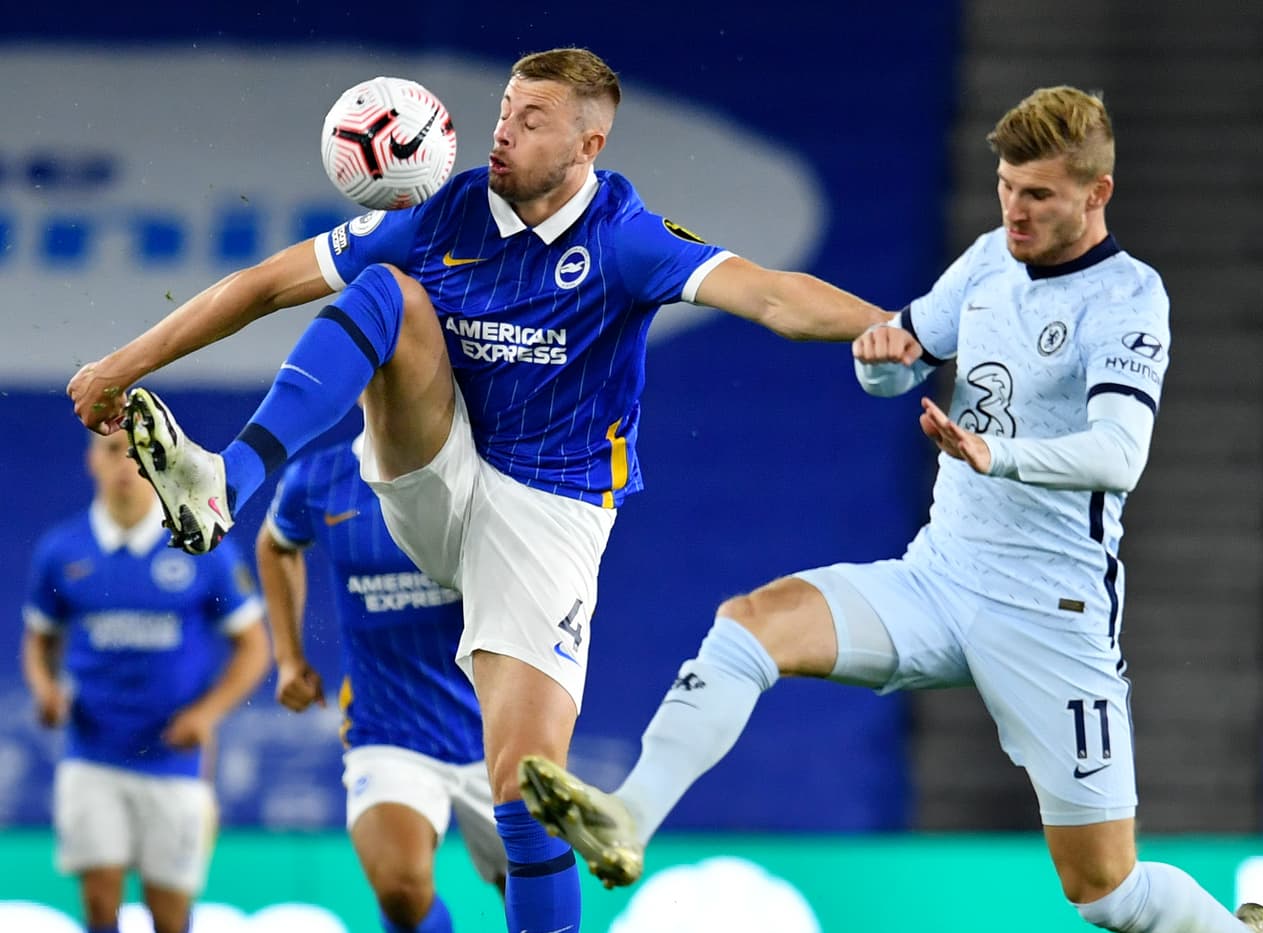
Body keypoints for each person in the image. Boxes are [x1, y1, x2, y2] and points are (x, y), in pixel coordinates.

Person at [66, 47, 890, 933]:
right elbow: (265, 283)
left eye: (530, 120)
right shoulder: (441, 210)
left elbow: (771, 295)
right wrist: (124, 363)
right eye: (503, 109)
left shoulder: (624, 237)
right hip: (440, 465)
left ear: (588, 144)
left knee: (527, 796)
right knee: (388, 294)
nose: (501, 131)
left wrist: (899, 330)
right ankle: (231, 475)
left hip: (549, 516)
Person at [516, 85, 1263, 933]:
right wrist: (882, 357)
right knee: (752, 623)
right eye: (1004, 185)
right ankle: (629, 814)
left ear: (1097, 195)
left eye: (1038, 196)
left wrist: (1001, 454)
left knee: (1105, 892)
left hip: (1051, 613)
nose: (1014, 210)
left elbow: (1119, 453)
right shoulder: (991, 260)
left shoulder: (1129, 299)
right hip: (941, 576)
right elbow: (901, 358)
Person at [255, 419, 506, 933]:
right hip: (390, 729)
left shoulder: (489, 466)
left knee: (528, 891)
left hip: (501, 728)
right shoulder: (321, 478)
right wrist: (288, 657)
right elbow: (277, 543)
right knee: (400, 889)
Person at [21, 429, 269, 933]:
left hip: (174, 759)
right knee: (98, 902)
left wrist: (207, 713)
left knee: (170, 913)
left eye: (138, 455)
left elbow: (254, 646)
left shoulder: (202, 547)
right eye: (112, 451)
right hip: (92, 754)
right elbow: (39, 638)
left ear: (157, 466)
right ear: (91, 459)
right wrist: (45, 690)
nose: (124, 467)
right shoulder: (62, 550)